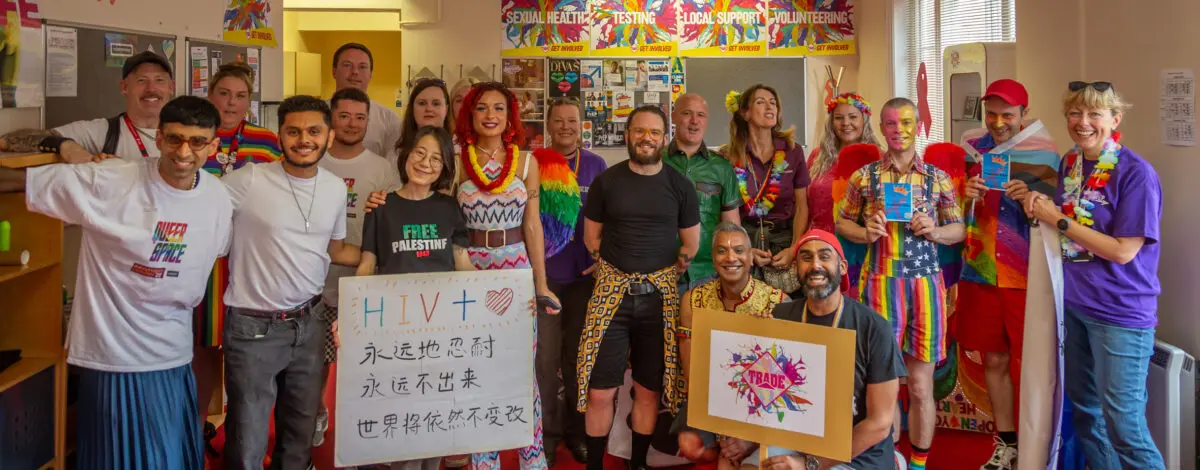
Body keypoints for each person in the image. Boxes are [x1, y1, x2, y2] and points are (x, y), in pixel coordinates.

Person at [0, 96, 233, 470]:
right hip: (115, 359)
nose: (184, 152)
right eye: (174, 139)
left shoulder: (218, 197)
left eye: (197, 141)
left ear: (214, 146)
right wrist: (62, 147)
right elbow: (14, 179)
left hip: (174, 357)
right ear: (158, 138)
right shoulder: (110, 180)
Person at [1021, 81, 1164, 469]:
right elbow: (1067, 221)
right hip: (1075, 307)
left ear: (1114, 120)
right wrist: (1037, 203)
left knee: (1125, 426)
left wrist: (1058, 219)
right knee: (1087, 414)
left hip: (1120, 313)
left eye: (1094, 114)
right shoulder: (1070, 163)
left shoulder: (1136, 173)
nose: (1083, 123)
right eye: (1075, 113)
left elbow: (1122, 251)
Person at [220, 95, 360, 469]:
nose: (304, 139)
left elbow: (336, 249)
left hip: (310, 321)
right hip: (253, 325)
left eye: (314, 131)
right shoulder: (248, 179)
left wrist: (391, 257)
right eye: (293, 131)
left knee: (298, 435)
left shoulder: (334, 187)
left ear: (329, 137)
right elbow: (196, 203)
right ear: (279, 136)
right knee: (247, 439)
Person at [835, 97, 965, 470]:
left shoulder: (937, 177)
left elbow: (958, 230)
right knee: (883, 385)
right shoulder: (866, 176)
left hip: (926, 285)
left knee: (922, 387)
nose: (898, 130)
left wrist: (936, 231)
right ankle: (888, 461)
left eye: (905, 122)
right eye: (890, 123)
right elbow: (842, 222)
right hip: (879, 284)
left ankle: (920, 463)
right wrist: (865, 231)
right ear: (881, 126)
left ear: (918, 124)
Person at [721, 229, 907, 470]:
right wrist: (757, 344)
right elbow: (765, 395)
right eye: (806, 258)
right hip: (797, 439)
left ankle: (895, 462)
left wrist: (808, 464)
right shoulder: (781, 316)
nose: (815, 265)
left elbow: (880, 424)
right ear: (797, 268)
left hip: (857, 452)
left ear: (842, 267)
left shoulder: (874, 328)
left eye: (824, 256)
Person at [578, 105, 701, 470]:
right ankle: (595, 466)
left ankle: (638, 465)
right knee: (600, 391)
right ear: (628, 135)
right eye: (639, 131)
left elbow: (690, 245)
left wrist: (668, 267)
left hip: (660, 300)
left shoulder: (680, 185)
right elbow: (591, 239)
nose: (646, 138)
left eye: (654, 132)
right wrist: (618, 272)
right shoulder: (607, 181)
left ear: (665, 138)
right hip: (611, 298)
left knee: (649, 390)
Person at [352, 126, 473, 470]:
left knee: (435, 414)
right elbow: (367, 264)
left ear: (445, 166)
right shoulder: (381, 205)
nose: (426, 163)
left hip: (440, 328)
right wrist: (349, 318)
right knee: (401, 413)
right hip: (395, 329)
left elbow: (462, 262)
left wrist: (506, 298)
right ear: (406, 154)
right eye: (420, 153)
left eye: (436, 158)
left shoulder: (449, 207)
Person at [955, 79, 1061, 470]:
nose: (999, 122)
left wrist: (1030, 200)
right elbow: (953, 210)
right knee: (994, 360)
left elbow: (1056, 220)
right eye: (993, 114)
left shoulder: (1045, 153)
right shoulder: (973, 148)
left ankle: (1038, 447)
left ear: (1023, 114)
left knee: (1028, 362)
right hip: (981, 270)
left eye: (1008, 115)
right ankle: (1008, 444)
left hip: (1024, 275)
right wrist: (966, 194)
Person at [455, 81, 559, 469]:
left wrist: (541, 283)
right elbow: (448, 221)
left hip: (515, 271)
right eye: (482, 108)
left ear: (509, 115)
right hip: (470, 271)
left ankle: (532, 457)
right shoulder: (457, 159)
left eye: (499, 108)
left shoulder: (526, 162)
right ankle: (485, 459)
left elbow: (533, 225)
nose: (491, 115)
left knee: (519, 365)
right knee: (479, 365)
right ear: (471, 113)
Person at [193, 60, 283, 433]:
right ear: (210, 95)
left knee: (247, 353)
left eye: (240, 96)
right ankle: (197, 429)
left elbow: (281, 195)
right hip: (203, 261)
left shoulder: (266, 141)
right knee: (205, 348)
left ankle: (242, 432)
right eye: (224, 94)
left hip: (251, 258)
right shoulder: (193, 135)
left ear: (250, 101)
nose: (231, 103)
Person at [310, 87, 401, 448]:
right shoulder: (312, 160)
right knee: (314, 364)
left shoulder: (382, 168)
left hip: (365, 282)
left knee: (366, 363)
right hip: (314, 284)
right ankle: (316, 416)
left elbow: (392, 225)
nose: (352, 123)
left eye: (360, 117)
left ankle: (368, 427)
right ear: (332, 117)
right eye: (344, 115)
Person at [674, 222, 787, 467]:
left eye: (738, 250)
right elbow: (692, 368)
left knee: (729, 461)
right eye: (722, 251)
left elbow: (781, 385)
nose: (730, 258)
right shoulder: (693, 299)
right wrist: (721, 424)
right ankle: (726, 448)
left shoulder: (777, 301)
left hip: (759, 404)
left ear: (750, 257)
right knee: (690, 446)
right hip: (709, 395)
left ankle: (740, 450)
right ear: (713, 259)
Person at [537, 97, 608, 467]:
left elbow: (612, 216)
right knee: (546, 362)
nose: (566, 126)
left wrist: (602, 260)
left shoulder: (596, 165)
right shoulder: (533, 163)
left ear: (582, 125)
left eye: (572, 120)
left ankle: (576, 432)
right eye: (559, 120)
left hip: (583, 279)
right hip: (545, 279)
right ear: (548, 124)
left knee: (578, 360)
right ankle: (546, 438)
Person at [0, 51, 174, 161]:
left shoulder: (190, 137)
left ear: (170, 88)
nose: (151, 89)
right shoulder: (102, 132)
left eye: (159, 80)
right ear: (124, 88)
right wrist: (64, 145)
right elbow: (6, 140)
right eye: (141, 81)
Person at [722, 84, 810, 295]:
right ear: (745, 113)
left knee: (787, 311)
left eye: (773, 103)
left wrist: (794, 249)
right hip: (744, 243)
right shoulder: (728, 156)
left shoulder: (793, 151)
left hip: (784, 242)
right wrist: (743, 250)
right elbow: (726, 211)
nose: (769, 107)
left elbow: (802, 207)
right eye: (760, 102)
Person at [664, 93, 740, 293]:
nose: (694, 121)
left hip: (708, 275)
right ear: (673, 117)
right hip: (661, 273)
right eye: (687, 113)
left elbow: (731, 228)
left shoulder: (722, 168)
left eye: (701, 115)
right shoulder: (654, 161)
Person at [331, 42, 402, 157]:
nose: (355, 72)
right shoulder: (316, 113)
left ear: (370, 75)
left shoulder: (389, 119)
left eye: (362, 67)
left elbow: (392, 166)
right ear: (334, 71)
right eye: (347, 65)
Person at [395, 78, 454, 161]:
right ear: (412, 108)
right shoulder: (396, 154)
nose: (429, 109)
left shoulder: (459, 152)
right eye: (422, 103)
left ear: (446, 109)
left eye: (436, 103)